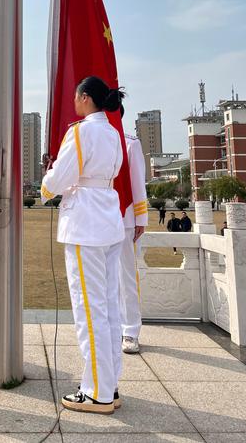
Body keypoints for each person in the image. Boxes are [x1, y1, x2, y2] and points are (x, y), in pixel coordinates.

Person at [41, 76, 125, 415]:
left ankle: (96, 392)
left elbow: (61, 178)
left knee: (88, 309)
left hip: (84, 223)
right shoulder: (113, 133)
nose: (74, 102)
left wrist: (46, 187)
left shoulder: (80, 132)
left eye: (77, 96)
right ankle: (109, 383)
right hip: (107, 216)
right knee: (107, 308)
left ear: (85, 98)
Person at [118, 106, 148, 355]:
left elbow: (138, 181)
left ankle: (130, 330)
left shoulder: (130, 143)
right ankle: (110, 327)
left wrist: (140, 217)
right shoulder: (91, 137)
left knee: (126, 276)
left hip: (125, 217)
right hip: (98, 219)